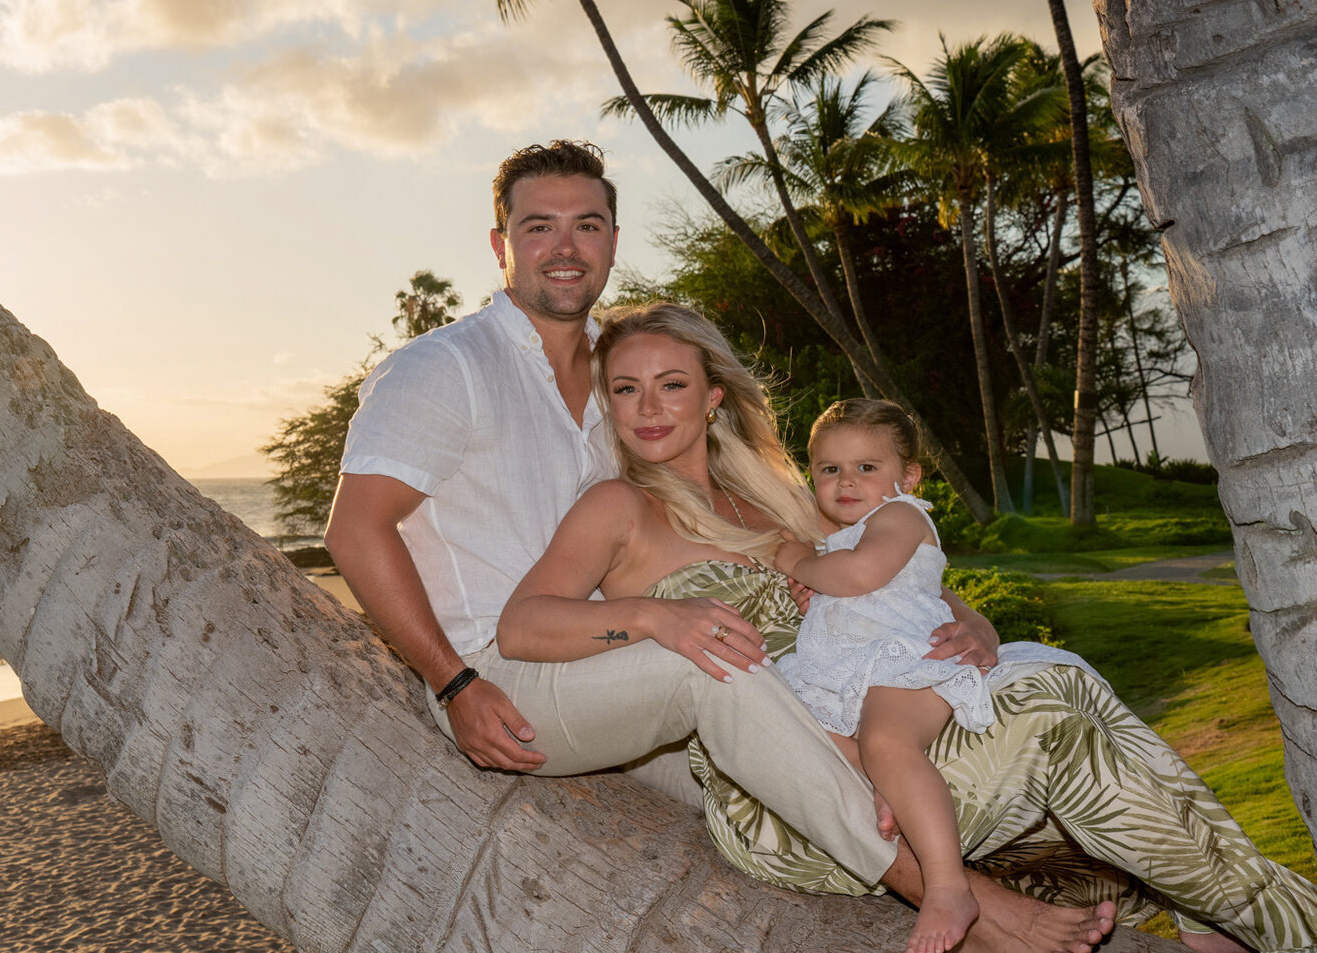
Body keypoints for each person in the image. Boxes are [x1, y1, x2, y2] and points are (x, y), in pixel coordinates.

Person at [326, 139, 1118, 953]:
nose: (564, 247)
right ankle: (962, 903)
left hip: (620, 673)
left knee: (832, 714)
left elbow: (832, 545)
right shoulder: (446, 367)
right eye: (538, 227)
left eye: (586, 225)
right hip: (507, 674)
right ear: (501, 244)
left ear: (612, 241)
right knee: (714, 667)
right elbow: (354, 529)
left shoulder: (622, 373)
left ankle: (1107, 871)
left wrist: (964, 616)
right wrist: (455, 682)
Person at [502, 301, 1317, 953]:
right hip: (784, 798)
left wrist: (975, 624)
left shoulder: (781, 500)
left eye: (671, 384)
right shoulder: (619, 507)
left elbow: (892, 584)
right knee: (1050, 723)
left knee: (1062, 677)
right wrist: (651, 616)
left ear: (713, 395)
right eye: (626, 388)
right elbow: (522, 625)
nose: (648, 408)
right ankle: (1276, 924)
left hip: (873, 726)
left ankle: (1216, 909)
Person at [770, 400, 1095, 953]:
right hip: (849, 670)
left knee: (886, 739)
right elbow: (842, 588)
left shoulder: (900, 517)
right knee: (802, 729)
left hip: (905, 659)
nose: (846, 481)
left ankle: (947, 886)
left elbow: (861, 575)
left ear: (910, 476)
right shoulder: (843, 533)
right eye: (829, 469)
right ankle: (887, 788)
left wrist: (799, 563)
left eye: (866, 467)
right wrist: (815, 590)